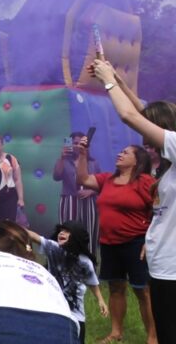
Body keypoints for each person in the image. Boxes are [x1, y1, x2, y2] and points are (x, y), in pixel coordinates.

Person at [90, 59, 173, 344]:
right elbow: (140, 111)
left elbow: (130, 115)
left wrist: (107, 81)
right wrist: (117, 78)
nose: (144, 140)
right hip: (161, 260)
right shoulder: (165, 160)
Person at [74, 136, 157, 344]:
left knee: (142, 291)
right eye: (121, 151)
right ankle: (116, 333)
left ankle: (153, 337)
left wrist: (151, 240)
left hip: (137, 244)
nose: (120, 154)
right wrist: (82, 155)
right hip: (110, 244)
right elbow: (83, 179)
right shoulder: (107, 180)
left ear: (137, 161)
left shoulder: (145, 182)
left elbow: (160, 211)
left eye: (126, 152)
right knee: (116, 288)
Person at [25, 221, 108, 343]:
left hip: (76, 314)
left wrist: (101, 300)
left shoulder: (85, 262)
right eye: (61, 230)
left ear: (76, 237)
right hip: (53, 308)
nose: (62, 233)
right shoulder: (53, 248)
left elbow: (92, 282)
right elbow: (34, 236)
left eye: (67, 231)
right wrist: (12, 228)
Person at [54, 131, 101, 258]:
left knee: (89, 232)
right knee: (67, 231)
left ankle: (89, 262)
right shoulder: (65, 161)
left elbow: (100, 184)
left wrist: (90, 191)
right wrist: (62, 158)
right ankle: (66, 260)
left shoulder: (93, 163)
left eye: (80, 143)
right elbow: (56, 176)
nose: (77, 145)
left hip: (89, 201)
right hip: (68, 200)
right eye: (74, 143)